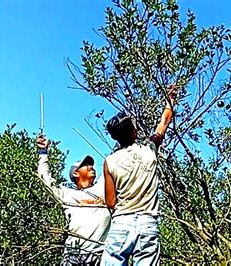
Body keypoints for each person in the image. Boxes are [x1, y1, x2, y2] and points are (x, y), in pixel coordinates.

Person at [100, 87, 176, 265]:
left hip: (121, 223)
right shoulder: (150, 149)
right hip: (147, 223)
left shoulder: (109, 161)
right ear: (134, 132)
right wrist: (170, 100)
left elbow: (111, 202)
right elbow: (164, 123)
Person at [36, 136, 111, 265]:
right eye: (85, 165)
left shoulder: (102, 188)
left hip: (99, 255)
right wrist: (43, 153)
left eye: (91, 165)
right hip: (73, 255)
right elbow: (45, 179)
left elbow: (114, 158)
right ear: (75, 173)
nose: (90, 167)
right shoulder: (67, 194)